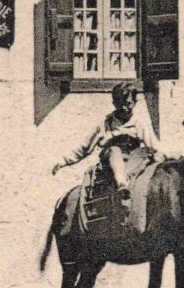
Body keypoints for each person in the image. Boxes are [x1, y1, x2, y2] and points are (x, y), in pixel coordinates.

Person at [53, 82, 164, 212]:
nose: (124, 108)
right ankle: (122, 185)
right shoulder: (106, 123)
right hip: (111, 160)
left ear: (135, 102)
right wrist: (63, 162)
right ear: (114, 104)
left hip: (133, 161)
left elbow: (154, 145)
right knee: (114, 150)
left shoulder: (139, 124)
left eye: (128, 104)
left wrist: (162, 154)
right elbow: (84, 147)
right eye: (119, 104)